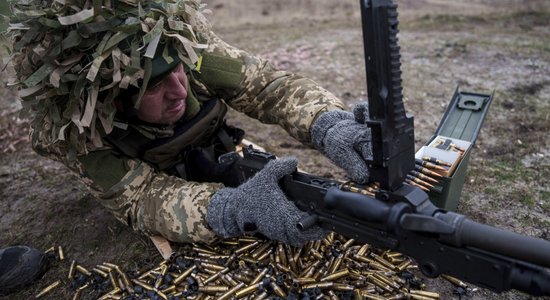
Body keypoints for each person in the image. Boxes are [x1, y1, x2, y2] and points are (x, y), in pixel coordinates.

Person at [1, 0, 373, 293]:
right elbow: (141, 199)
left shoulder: (186, 52)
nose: (179, 90)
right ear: (114, 101)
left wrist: (328, 124)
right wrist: (232, 208)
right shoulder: (80, 133)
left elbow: (270, 88)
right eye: (155, 85)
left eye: (177, 71)